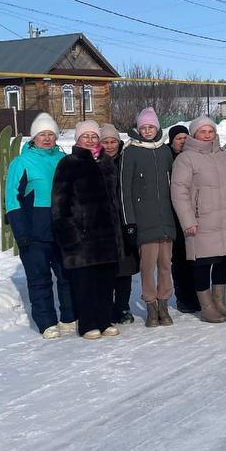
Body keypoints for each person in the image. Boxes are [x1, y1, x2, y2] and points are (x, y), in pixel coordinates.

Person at [51, 120, 125, 340]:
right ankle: (87, 324)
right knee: (85, 284)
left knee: (105, 282)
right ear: (78, 139)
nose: (91, 140)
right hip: (83, 238)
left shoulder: (107, 163)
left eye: (94, 136)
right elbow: (60, 204)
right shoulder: (68, 163)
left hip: (108, 237)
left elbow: (115, 200)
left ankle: (104, 320)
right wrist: (69, 236)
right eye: (86, 136)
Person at [4, 113, 75, 339]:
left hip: (62, 229)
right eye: (41, 134)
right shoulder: (21, 162)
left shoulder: (64, 159)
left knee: (67, 276)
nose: (46, 138)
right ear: (33, 137)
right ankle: (46, 323)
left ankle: (69, 318)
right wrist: (20, 232)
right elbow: (11, 198)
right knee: (40, 279)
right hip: (35, 232)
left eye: (50, 134)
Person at [171, 116, 226, 323]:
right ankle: (207, 305)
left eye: (210, 131)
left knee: (223, 261)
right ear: (194, 134)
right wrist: (188, 221)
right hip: (201, 220)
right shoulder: (186, 158)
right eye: (202, 131)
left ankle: (219, 301)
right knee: (202, 264)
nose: (207, 135)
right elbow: (179, 192)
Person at [122, 108, 178, 328]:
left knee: (166, 265)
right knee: (147, 267)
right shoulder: (131, 151)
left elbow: (174, 184)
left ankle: (163, 305)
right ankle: (151, 307)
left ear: (157, 128)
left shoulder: (164, 151)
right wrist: (130, 221)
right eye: (143, 127)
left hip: (165, 219)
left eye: (151, 127)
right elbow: (124, 189)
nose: (147, 131)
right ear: (138, 128)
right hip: (144, 221)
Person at [98, 123, 140, 324]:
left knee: (125, 269)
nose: (109, 145)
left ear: (119, 142)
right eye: (105, 142)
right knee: (106, 269)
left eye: (113, 141)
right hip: (104, 223)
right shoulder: (95, 162)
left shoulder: (126, 159)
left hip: (125, 221)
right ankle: (105, 307)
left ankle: (122, 306)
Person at [166, 125, 199, 313]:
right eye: (179, 138)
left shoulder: (194, 157)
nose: (183, 141)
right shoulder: (168, 158)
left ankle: (198, 294)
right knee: (179, 259)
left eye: (186, 137)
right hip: (174, 215)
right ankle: (184, 297)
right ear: (172, 141)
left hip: (194, 212)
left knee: (195, 258)